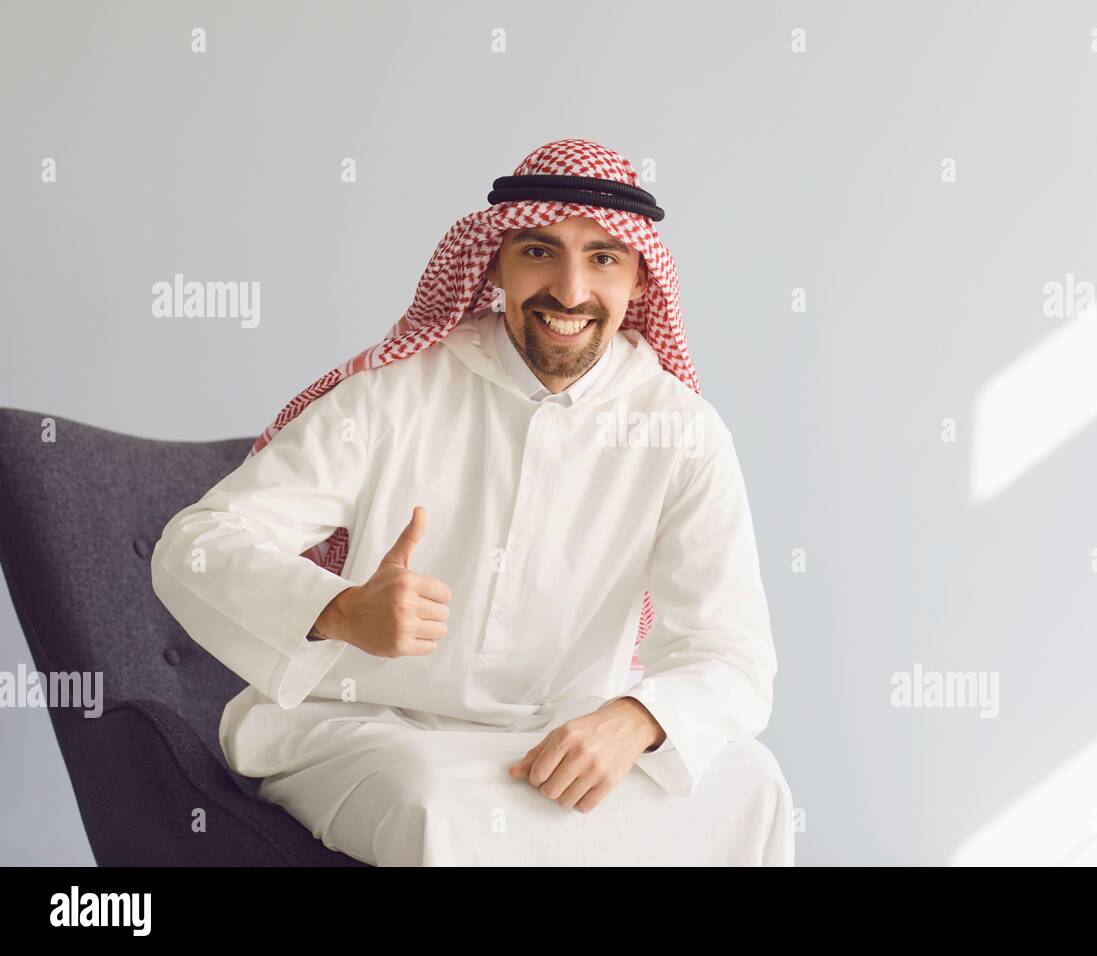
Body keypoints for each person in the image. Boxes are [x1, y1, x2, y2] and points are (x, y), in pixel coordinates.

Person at [151, 138, 794, 866]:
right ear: (494, 262)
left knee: (752, 785)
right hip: (375, 731)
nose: (572, 291)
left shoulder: (682, 432)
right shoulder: (395, 396)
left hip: (567, 743)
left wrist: (638, 717)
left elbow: (732, 654)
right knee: (432, 802)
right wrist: (337, 610)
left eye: (604, 259)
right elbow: (197, 545)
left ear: (641, 279)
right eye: (541, 252)